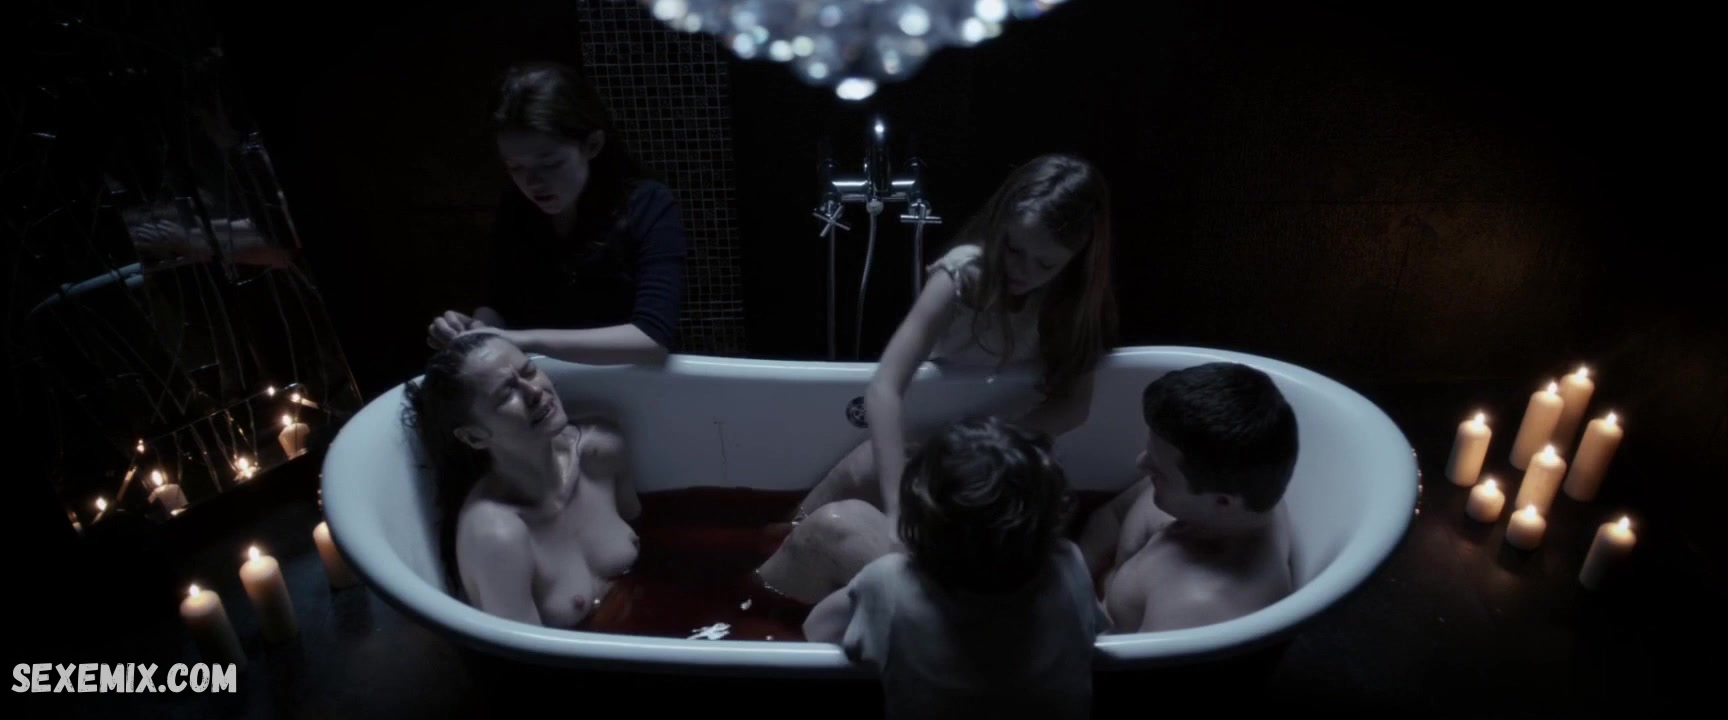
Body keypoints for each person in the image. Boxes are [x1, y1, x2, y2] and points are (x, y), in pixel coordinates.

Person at [757, 154, 1118, 598]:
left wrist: (988, 443)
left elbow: (1075, 407)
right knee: (864, 464)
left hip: (1010, 450)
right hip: (946, 439)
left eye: (1045, 264)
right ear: (999, 228)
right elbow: (885, 388)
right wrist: (897, 508)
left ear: (1076, 258)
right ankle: (782, 540)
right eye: (1014, 249)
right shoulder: (964, 274)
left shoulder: (1077, 304)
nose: (1023, 271)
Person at [801, 417, 1109, 720]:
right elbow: (1097, 629)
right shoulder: (1069, 564)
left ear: (919, 520)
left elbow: (816, 630)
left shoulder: (888, 581)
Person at [427, 61, 688, 366]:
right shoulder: (516, 206)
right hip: (537, 378)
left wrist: (521, 340)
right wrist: (473, 331)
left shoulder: (648, 204)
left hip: (630, 379)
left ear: (592, 145)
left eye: (549, 164)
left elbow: (651, 338)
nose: (533, 182)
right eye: (516, 167)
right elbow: (499, 302)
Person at [402, 331, 642, 628]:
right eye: (506, 394)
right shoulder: (497, 535)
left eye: (529, 370)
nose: (534, 391)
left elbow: (650, 532)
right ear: (474, 437)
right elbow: (525, 653)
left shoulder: (601, 451)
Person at [1078, 362, 1299, 633]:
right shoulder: (1226, 489)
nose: (1140, 463)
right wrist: (1074, 581)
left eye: (1158, 471)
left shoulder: (1197, 609)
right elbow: (1111, 516)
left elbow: (1120, 660)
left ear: (1222, 502)